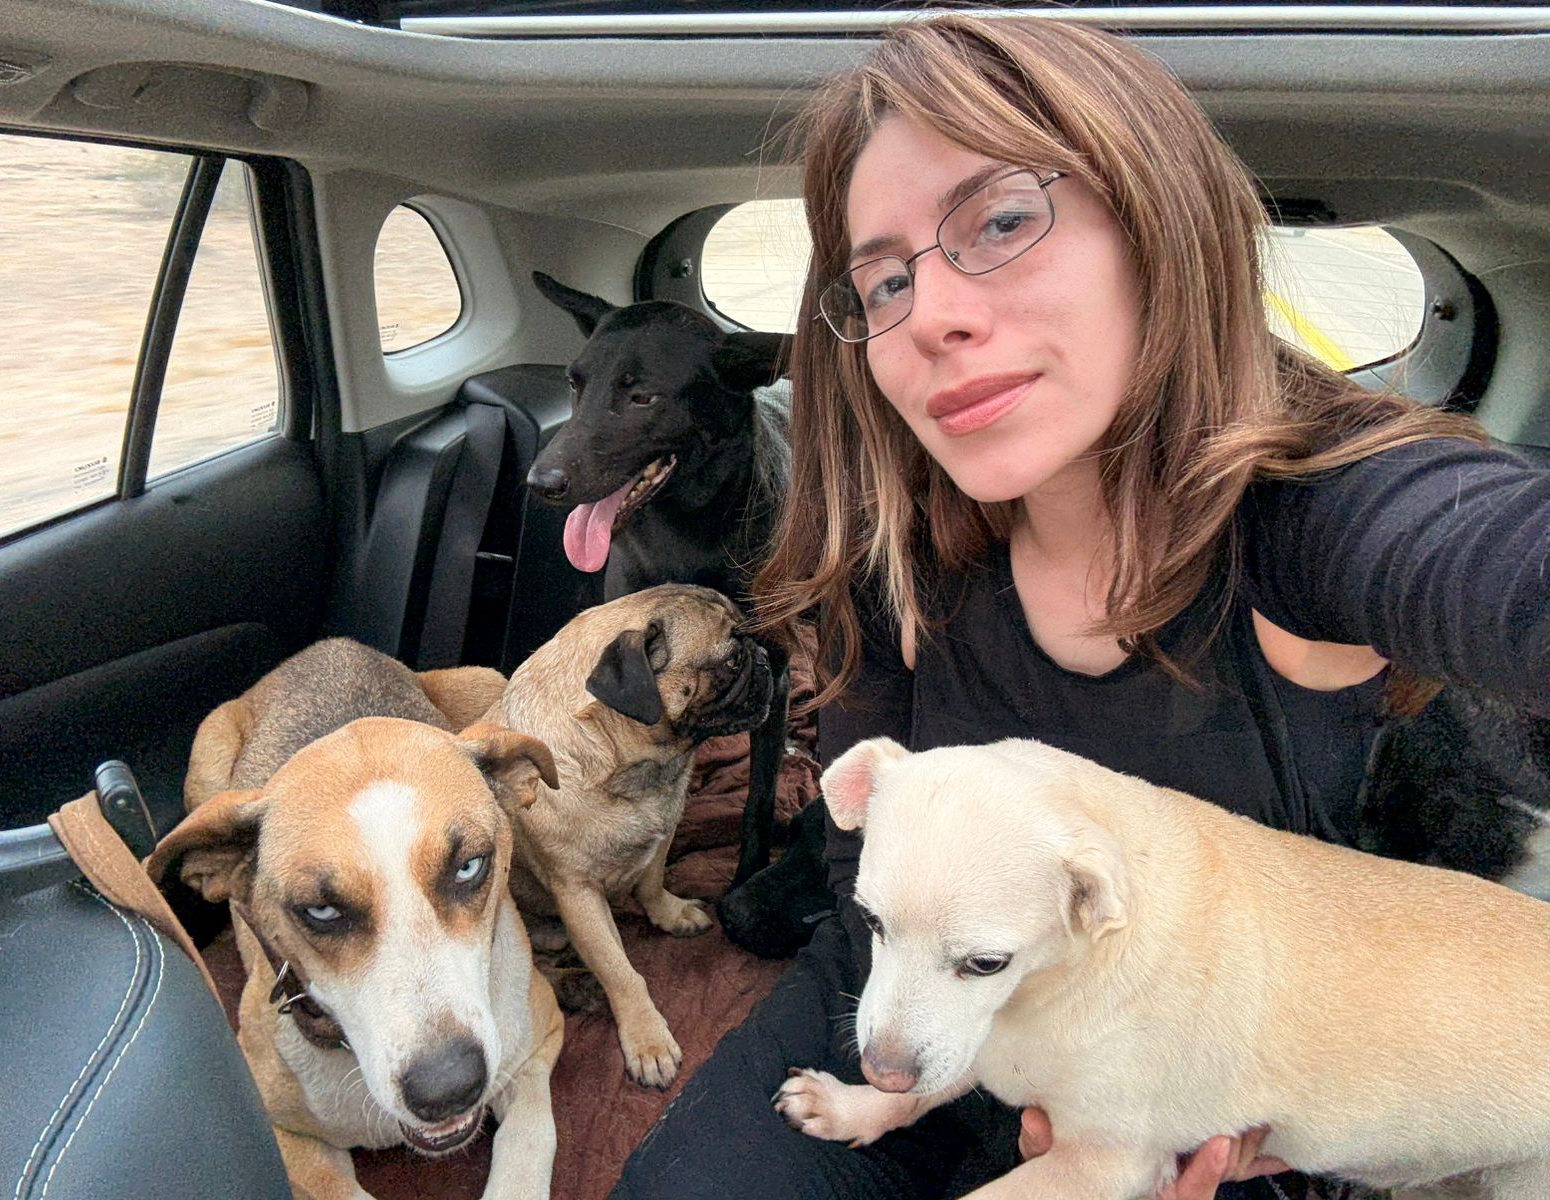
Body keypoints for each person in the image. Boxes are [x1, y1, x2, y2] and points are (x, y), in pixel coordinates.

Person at [609, 14, 1550, 1200]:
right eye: (885, 279)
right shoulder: (894, 539)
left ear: (1158, 225)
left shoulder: (1322, 513)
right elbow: (865, 863)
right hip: (906, 1006)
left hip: (1190, 1085)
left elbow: (1498, 564)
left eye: (1001, 222)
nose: (934, 315)